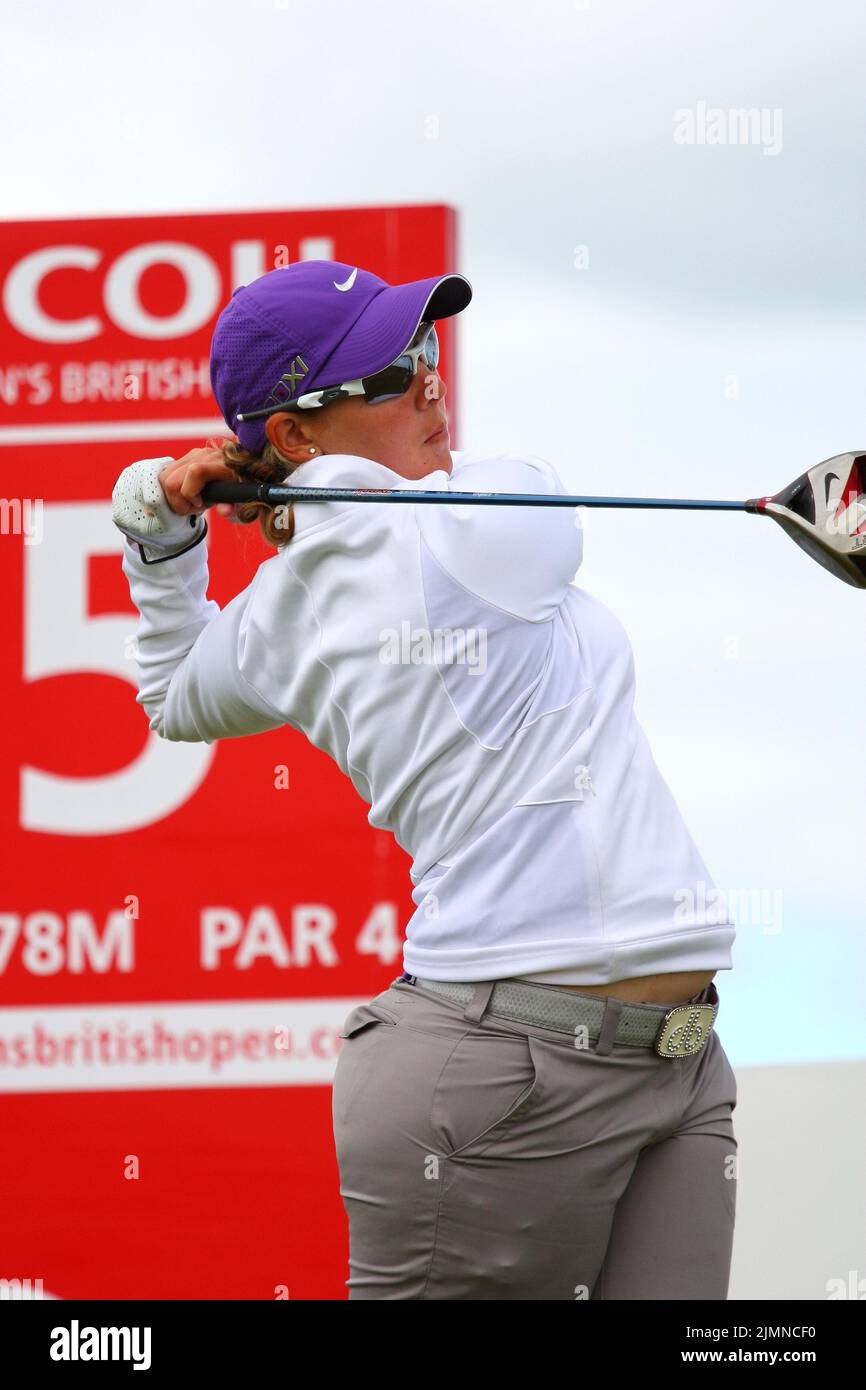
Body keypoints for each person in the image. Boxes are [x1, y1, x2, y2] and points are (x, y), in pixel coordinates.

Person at [111, 259, 738, 1300]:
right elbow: (532, 495)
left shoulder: (288, 603)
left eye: (425, 352)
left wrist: (163, 538)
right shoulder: (485, 528)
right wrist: (287, 488)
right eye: (389, 373)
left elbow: (175, 689)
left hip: (677, 1063)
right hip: (500, 1072)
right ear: (299, 431)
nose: (430, 381)